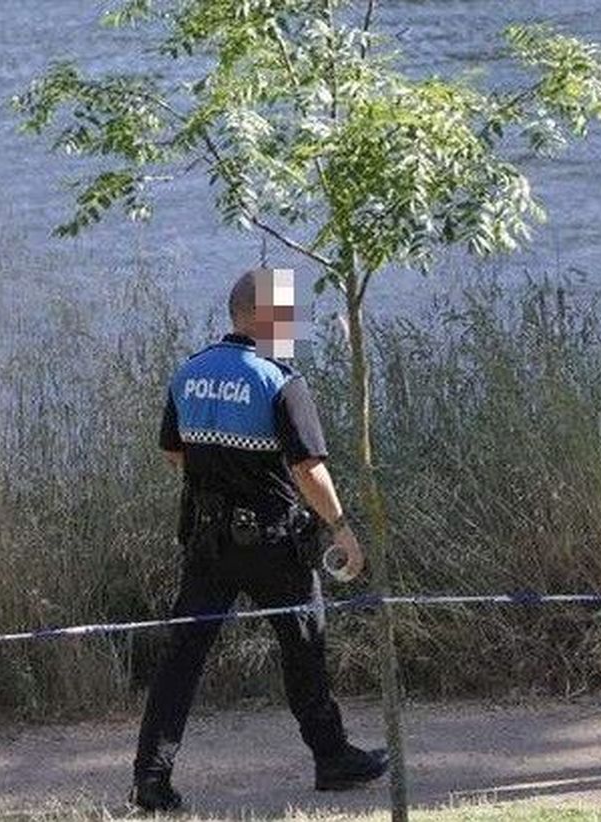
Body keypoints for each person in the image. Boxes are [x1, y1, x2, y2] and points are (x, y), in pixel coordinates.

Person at [130, 269, 388, 813]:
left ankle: (151, 779)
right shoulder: (279, 380)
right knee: (304, 649)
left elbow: (174, 453)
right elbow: (308, 470)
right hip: (274, 544)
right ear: (262, 315)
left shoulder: (189, 372)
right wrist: (342, 528)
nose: (292, 325)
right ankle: (332, 759)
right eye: (287, 314)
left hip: (207, 545)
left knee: (181, 661)